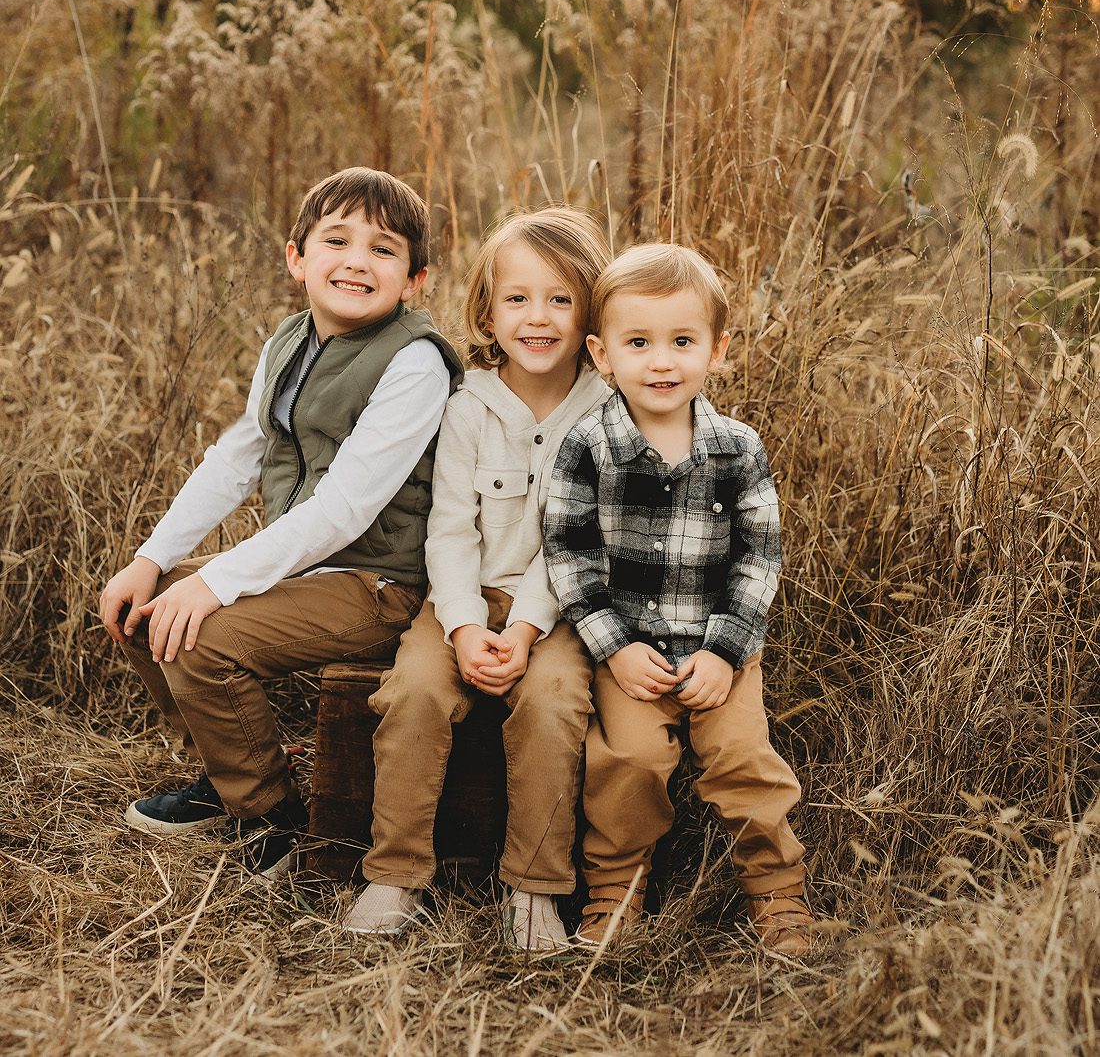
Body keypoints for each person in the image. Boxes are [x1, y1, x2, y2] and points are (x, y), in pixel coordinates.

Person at [98, 167, 462, 878]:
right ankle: (225, 773)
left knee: (201, 638)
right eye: (336, 239)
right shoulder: (289, 343)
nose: (357, 259)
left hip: (376, 581)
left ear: (415, 280)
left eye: (384, 249)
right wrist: (150, 559)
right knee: (145, 607)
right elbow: (235, 457)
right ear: (297, 259)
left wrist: (218, 585)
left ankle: (271, 816)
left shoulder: (415, 362)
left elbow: (347, 508)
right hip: (308, 566)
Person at [343, 208, 610, 951]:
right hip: (459, 596)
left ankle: (534, 889)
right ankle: (394, 872)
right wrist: (463, 626)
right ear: (487, 310)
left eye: (561, 299)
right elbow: (449, 530)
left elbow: (574, 546)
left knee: (556, 701)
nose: (538, 317)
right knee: (416, 690)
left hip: (557, 606)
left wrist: (522, 631)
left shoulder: (604, 414)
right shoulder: (467, 405)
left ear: (590, 310)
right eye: (518, 298)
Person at [544, 242, 811, 955]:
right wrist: (616, 649)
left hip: (722, 652)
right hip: (630, 654)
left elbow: (760, 557)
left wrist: (726, 652)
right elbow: (569, 559)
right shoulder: (587, 448)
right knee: (626, 767)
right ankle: (616, 897)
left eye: (682, 342)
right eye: (639, 343)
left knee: (743, 760)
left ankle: (779, 896)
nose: (661, 362)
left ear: (717, 350)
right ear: (602, 355)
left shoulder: (738, 449)